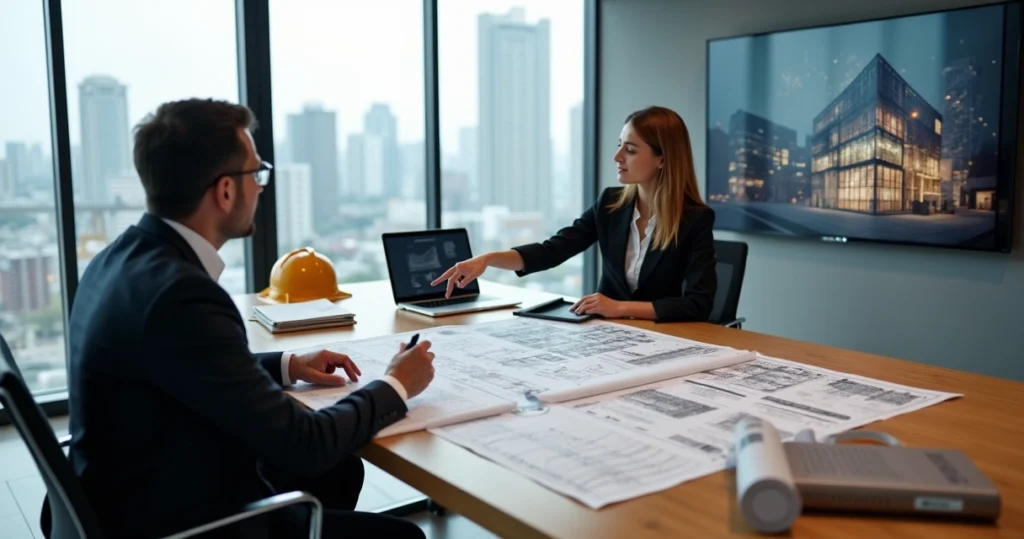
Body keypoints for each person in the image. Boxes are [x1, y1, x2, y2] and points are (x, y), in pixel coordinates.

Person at [61, 98, 432, 539]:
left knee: (340, 470)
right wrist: (395, 385)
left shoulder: (117, 259)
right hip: (180, 522)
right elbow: (305, 444)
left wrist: (288, 364)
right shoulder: (182, 293)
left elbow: (181, 363)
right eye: (256, 174)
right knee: (404, 536)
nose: (260, 187)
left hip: (122, 493)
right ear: (225, 191)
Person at [433, 106, 717, 322]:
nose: (617, 157)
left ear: (662, 160)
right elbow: (552, 251)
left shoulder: (695, 219)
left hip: (667, 339)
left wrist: (620, 307)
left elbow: (698, 304)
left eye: (630, 150)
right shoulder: (610, 204)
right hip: (609, 336)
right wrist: (488, 259)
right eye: (619, 145)